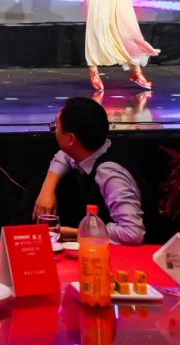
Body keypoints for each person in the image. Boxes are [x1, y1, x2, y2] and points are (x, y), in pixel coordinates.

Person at [31, 97, 149, 246]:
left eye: (56, 126)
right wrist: (47, 190)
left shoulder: (109, 173)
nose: (54, 131)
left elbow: (132, 233)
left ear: (71, 139)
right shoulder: (94, 150)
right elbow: (64, 156)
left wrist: (77, 233)